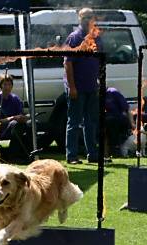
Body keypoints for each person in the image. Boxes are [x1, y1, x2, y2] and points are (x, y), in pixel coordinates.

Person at [64, 8, 101, 164]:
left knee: (90, 123)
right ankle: (71, 156)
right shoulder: (74, 37)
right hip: (77, 89)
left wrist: (98, 80)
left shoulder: (96, 37)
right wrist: (72, 87)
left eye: (89, 17)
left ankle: (92, 155)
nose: (87, 19)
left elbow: (98, 61)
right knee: (74, 122)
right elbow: (68, 63)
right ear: (79, 19)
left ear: (94, 18)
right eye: (84, 17)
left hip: (91, 87)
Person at [0, 73, 28, 160]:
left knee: (31, 124)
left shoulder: (15, 99)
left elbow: (21, 114)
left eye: (9, 84)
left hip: (17, 126)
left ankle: (25, 152)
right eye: (5, 84)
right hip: (1, 130)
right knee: (15, 124)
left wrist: (23, 118)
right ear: (0, 85)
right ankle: (13, 154)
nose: (7, 87)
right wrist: (12, 118)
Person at [105, 86, 134, 157]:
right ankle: (108, 151)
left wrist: (132, 123)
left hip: (119, 118)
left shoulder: (113, 92)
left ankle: (115, 149)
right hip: (108, 118)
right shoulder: (97, 95)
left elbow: (127, 109)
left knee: (112, 121)